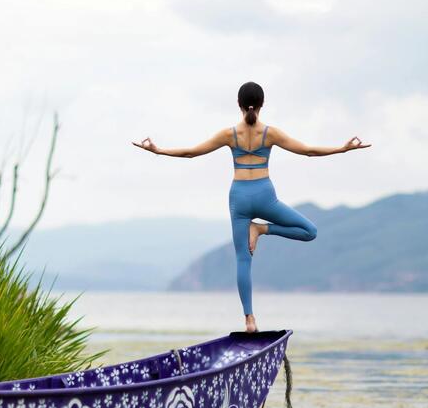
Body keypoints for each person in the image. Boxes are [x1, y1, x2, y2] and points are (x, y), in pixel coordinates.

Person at [132, 81, 370, 332]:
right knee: (310, 231)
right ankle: (263, 229)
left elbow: (191, 152)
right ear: (263, 104)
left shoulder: (228, 134)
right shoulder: (270, 133)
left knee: (242, 260)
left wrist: (158, 150)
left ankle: (249, 319)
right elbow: (309, 151)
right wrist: (342, 149)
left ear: (238, 104)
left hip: (239, 198)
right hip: (265, 196)